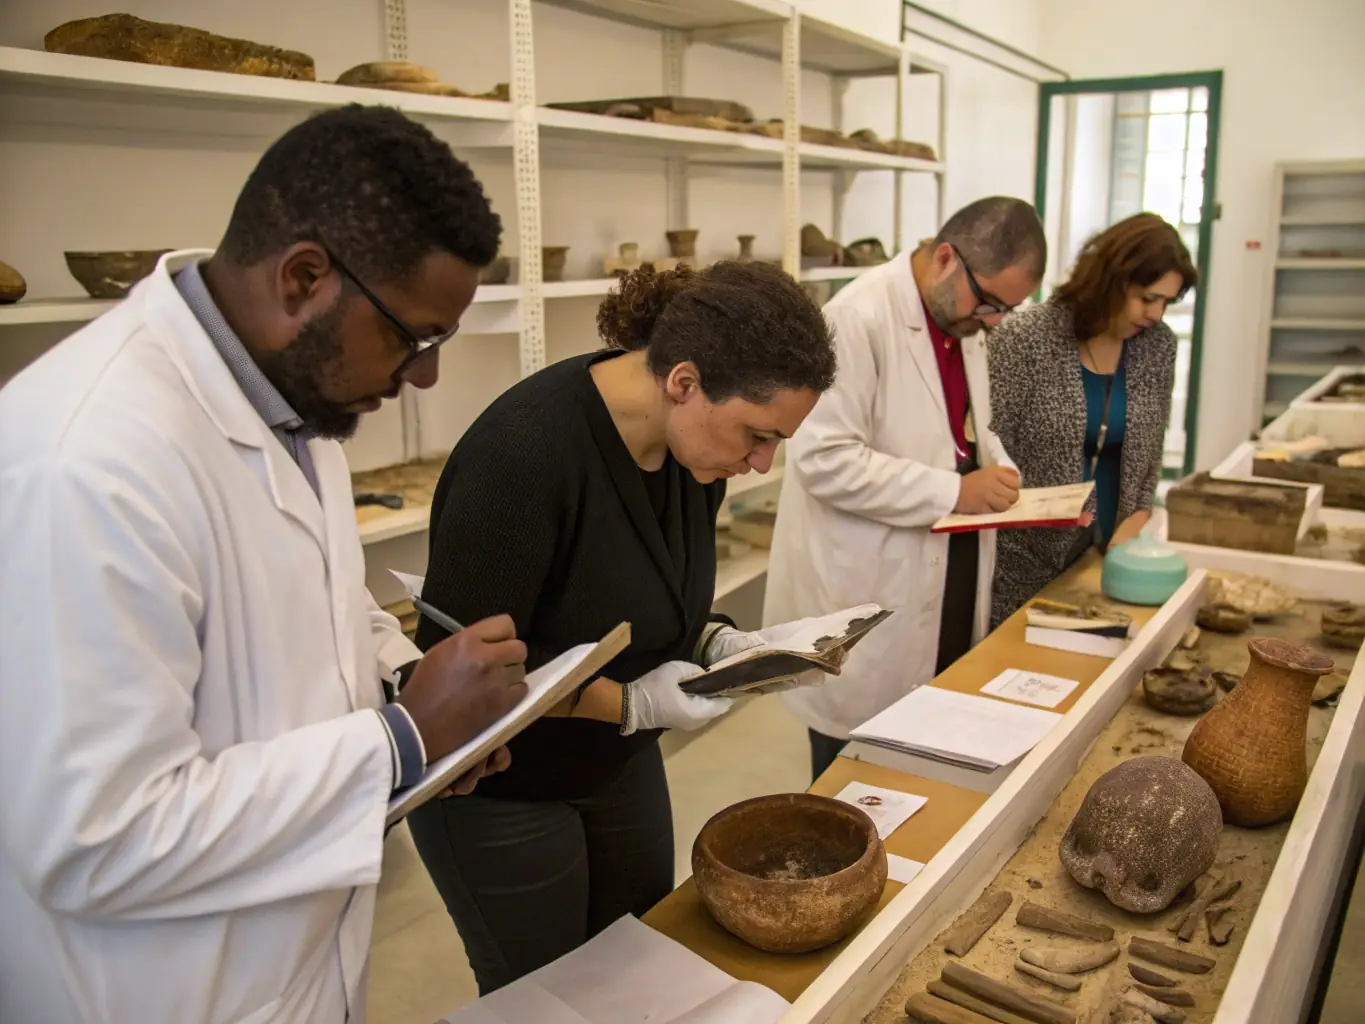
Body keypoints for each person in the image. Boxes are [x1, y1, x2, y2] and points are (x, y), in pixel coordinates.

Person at [0, 105, 532, 1023]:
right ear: (304, 278)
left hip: (287, 965)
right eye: (416, 339)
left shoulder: (289, 396)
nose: (425, 378)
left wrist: (409, 682)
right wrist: (401, 742)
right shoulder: (84, 462)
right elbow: (95, 839)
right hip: (159, 992)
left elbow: (314, 602)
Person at [404, 260, 837, 993]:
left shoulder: (692, 453)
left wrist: (716, 642)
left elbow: (648, 591)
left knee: (638, 972)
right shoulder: (524, 454)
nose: (762, 464)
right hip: (505, 788)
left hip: (615, 762)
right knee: (541, 1000)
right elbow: (463, 676)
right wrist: (630, 703)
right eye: (757, 436)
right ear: (683, 382)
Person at [764, 196, 1047, 781]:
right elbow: (824, 459)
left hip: (945, 573)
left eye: (1007, 310)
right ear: (947, 258)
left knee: (927, 773)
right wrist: (954, 491)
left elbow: (964, 425)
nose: (994, 321)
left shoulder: (959, 319)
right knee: (855, 785)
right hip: (870, 587)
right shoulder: (856, 318)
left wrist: (996, 462)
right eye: (990, 302)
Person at [987, 213, 1197, 627]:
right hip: (1020, 563)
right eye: (1147, 298)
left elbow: (1148, 453)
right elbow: (989, 450)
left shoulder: (1157, 347)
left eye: (1166, 303)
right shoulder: (1026, 336)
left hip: (1110, 562)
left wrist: (1137, 515)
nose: (1156, 314)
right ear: (1110, 281)